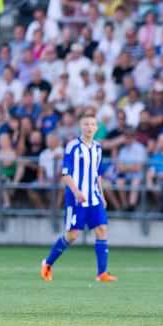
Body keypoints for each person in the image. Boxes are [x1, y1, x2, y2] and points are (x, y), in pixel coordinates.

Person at [41, 114, 117, 282]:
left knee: (102, 230)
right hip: (77, 198)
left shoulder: (98, 148)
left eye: (92, 124)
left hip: (94, 198)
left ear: (97, 128)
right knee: (73, 235)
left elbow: (98, 175)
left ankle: (102, 273)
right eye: (86, 124)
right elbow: (66, 175)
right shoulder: (72, 147)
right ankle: (48, 263)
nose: (90, 127)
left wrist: (102, 196)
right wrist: (76, 192)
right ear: (81, 127)